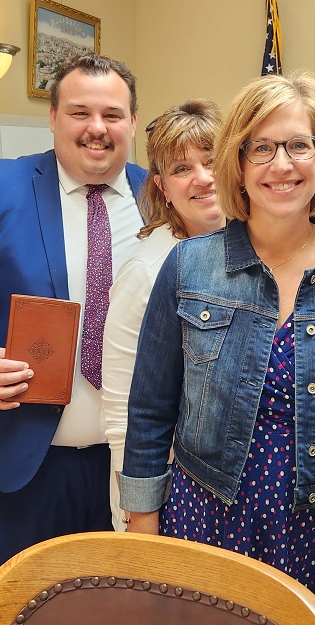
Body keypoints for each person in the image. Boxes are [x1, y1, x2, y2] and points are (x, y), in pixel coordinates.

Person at [120, 71, 315, 624]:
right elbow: (149, 410)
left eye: (300, 145)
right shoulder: (190, 267)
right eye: (263, 148)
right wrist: (143, 528)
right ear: (239, 164)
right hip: (205, 520)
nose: (283, 164)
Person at [0, 53, 148, 571]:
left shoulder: (163, 199)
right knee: (25, 605)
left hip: (131, 469)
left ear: (133, 122)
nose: (97, 128)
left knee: (123, 606)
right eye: (79, 112)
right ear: (53, 117)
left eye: (113, 115)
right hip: (23, 464)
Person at [100, 99, 225, 531]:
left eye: (212, 162)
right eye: (181, 169)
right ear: (162, 185)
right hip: (171, 489)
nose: (203, 179)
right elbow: (122, 407)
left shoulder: (264, 250)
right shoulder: (148, 271)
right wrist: (135, 512)